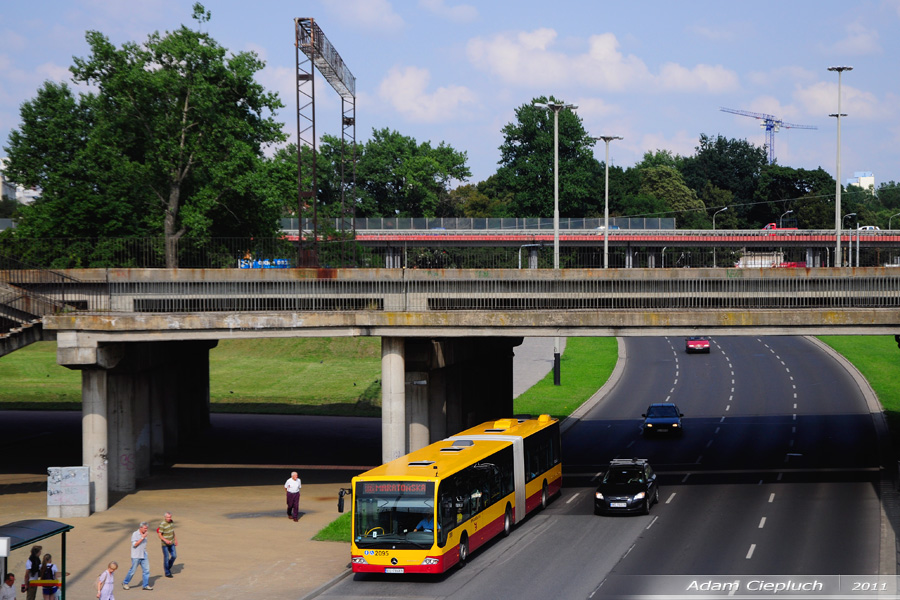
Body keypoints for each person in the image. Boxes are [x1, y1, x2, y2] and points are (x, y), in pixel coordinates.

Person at [121, 522, 152, 591]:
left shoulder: (145, 534)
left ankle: (145, 585)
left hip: (144, 555)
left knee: (146, 570)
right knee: (132, 571)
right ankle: (125, 583)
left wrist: (144, 536)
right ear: (140, 527)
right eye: (145, 528)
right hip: (136, 556)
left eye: (147, 528)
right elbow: (135, 544)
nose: (146, 530)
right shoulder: (135, 534)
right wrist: (142, 538)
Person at [156, 512, 178, 578]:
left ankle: (168, 567)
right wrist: (165, 540)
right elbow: (159, 534)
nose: (169, 518)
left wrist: (175, 539)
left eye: (170, 517)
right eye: (168, 517)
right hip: (165, 544)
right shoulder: (162, 524)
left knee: (174, 556)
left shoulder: (171, 522)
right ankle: (167, 572)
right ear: (165, 517)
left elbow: (172, 531)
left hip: (172, 542)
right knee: (166, 557)